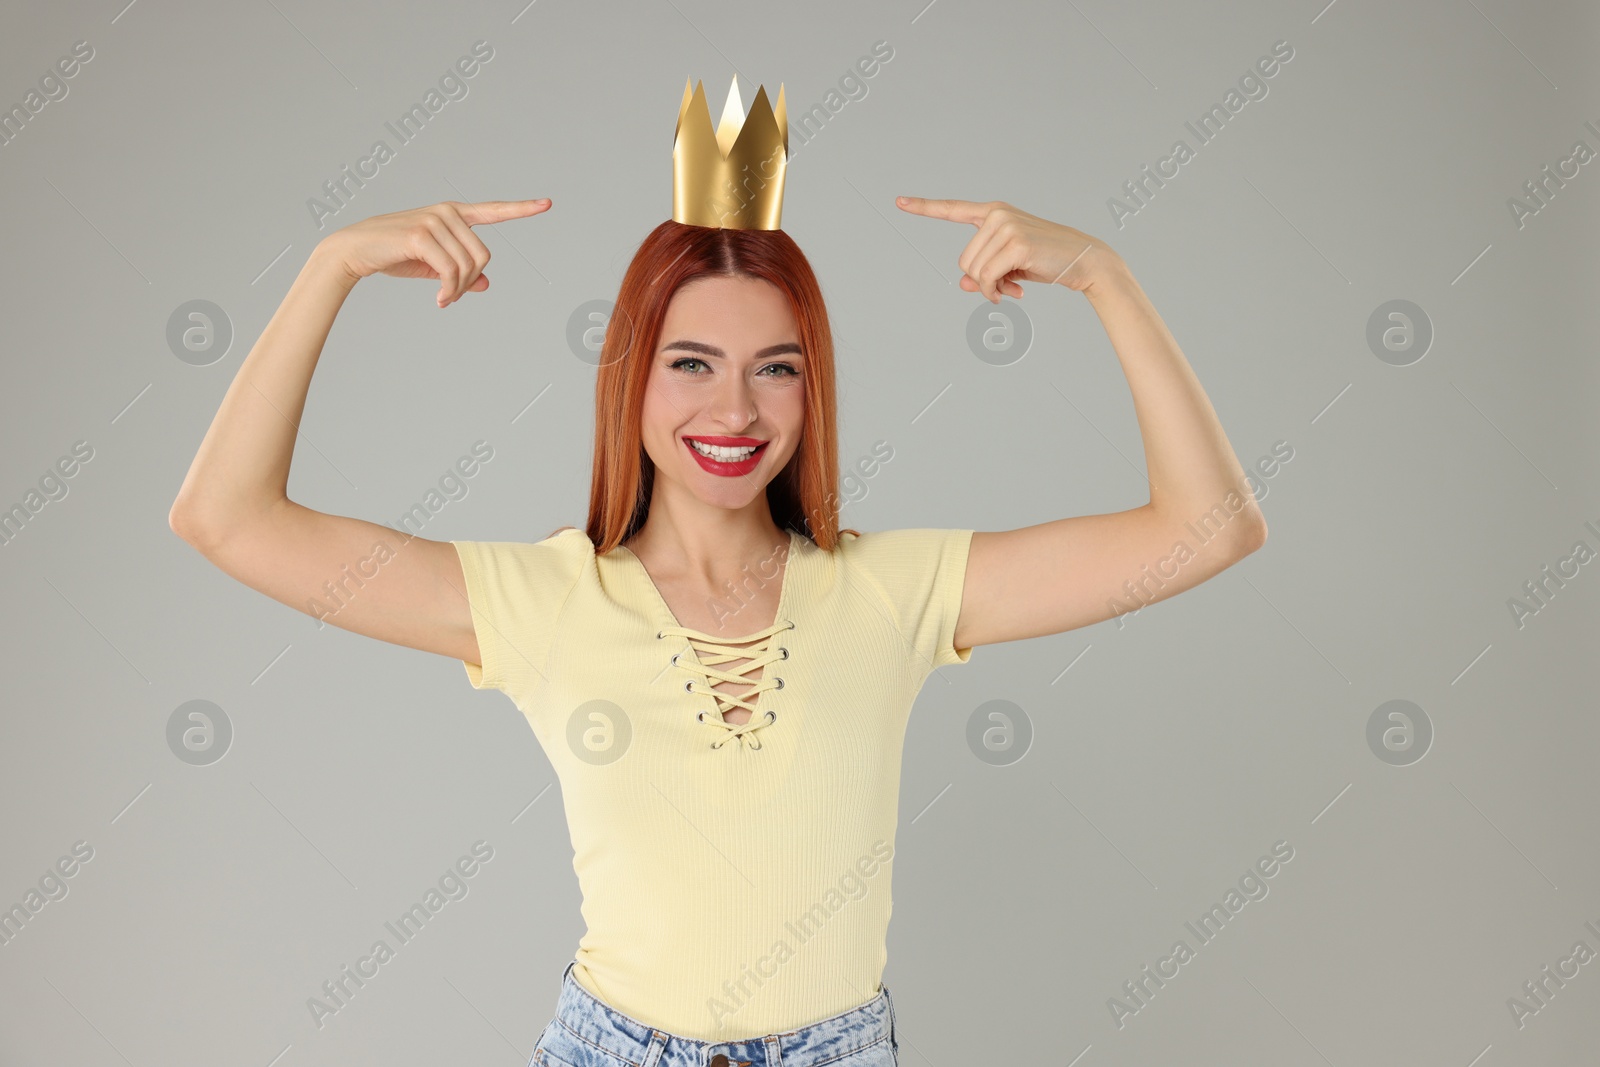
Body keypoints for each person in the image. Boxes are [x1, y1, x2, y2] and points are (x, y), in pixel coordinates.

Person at [169, 77, 1265, 1067]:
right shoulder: (541, 600)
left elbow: (1210, 525)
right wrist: (333, 265)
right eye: (690, 364)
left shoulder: (899, 590)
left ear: (812, 387)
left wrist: (1104, 277)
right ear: (631, 377)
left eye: (774, 370)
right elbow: (226, 517)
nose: (734, 411)